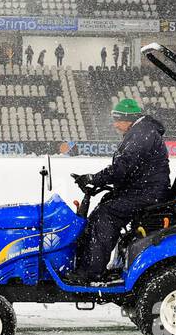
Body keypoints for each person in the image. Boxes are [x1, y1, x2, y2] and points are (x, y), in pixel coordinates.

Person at [66, 98, 170, 284]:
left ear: (128, 118)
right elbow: (125, 169)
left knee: (104, 215)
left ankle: (91, 272)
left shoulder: (142, 133)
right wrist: (99, 182)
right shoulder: (141, 131)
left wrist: (94, 179)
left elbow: (123, 167)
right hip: (143, 190)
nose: (114, 124)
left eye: (117, 119)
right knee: (105, 205)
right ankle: (90, 264)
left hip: (147, 194)